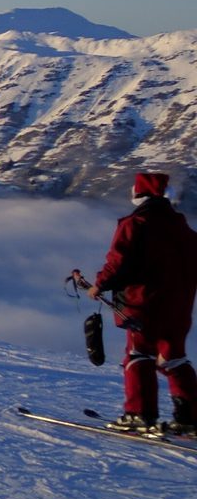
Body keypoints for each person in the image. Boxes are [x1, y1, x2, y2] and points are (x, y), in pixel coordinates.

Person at [84, 171, 197, 434]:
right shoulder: (183, 227)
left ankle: (139, 414)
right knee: (173, 357)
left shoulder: (135, 224)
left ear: (139, 193)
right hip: (180, 306)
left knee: (139, 354)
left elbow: (119, 261)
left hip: (143, 304)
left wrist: (100, 284)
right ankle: (190, 416)